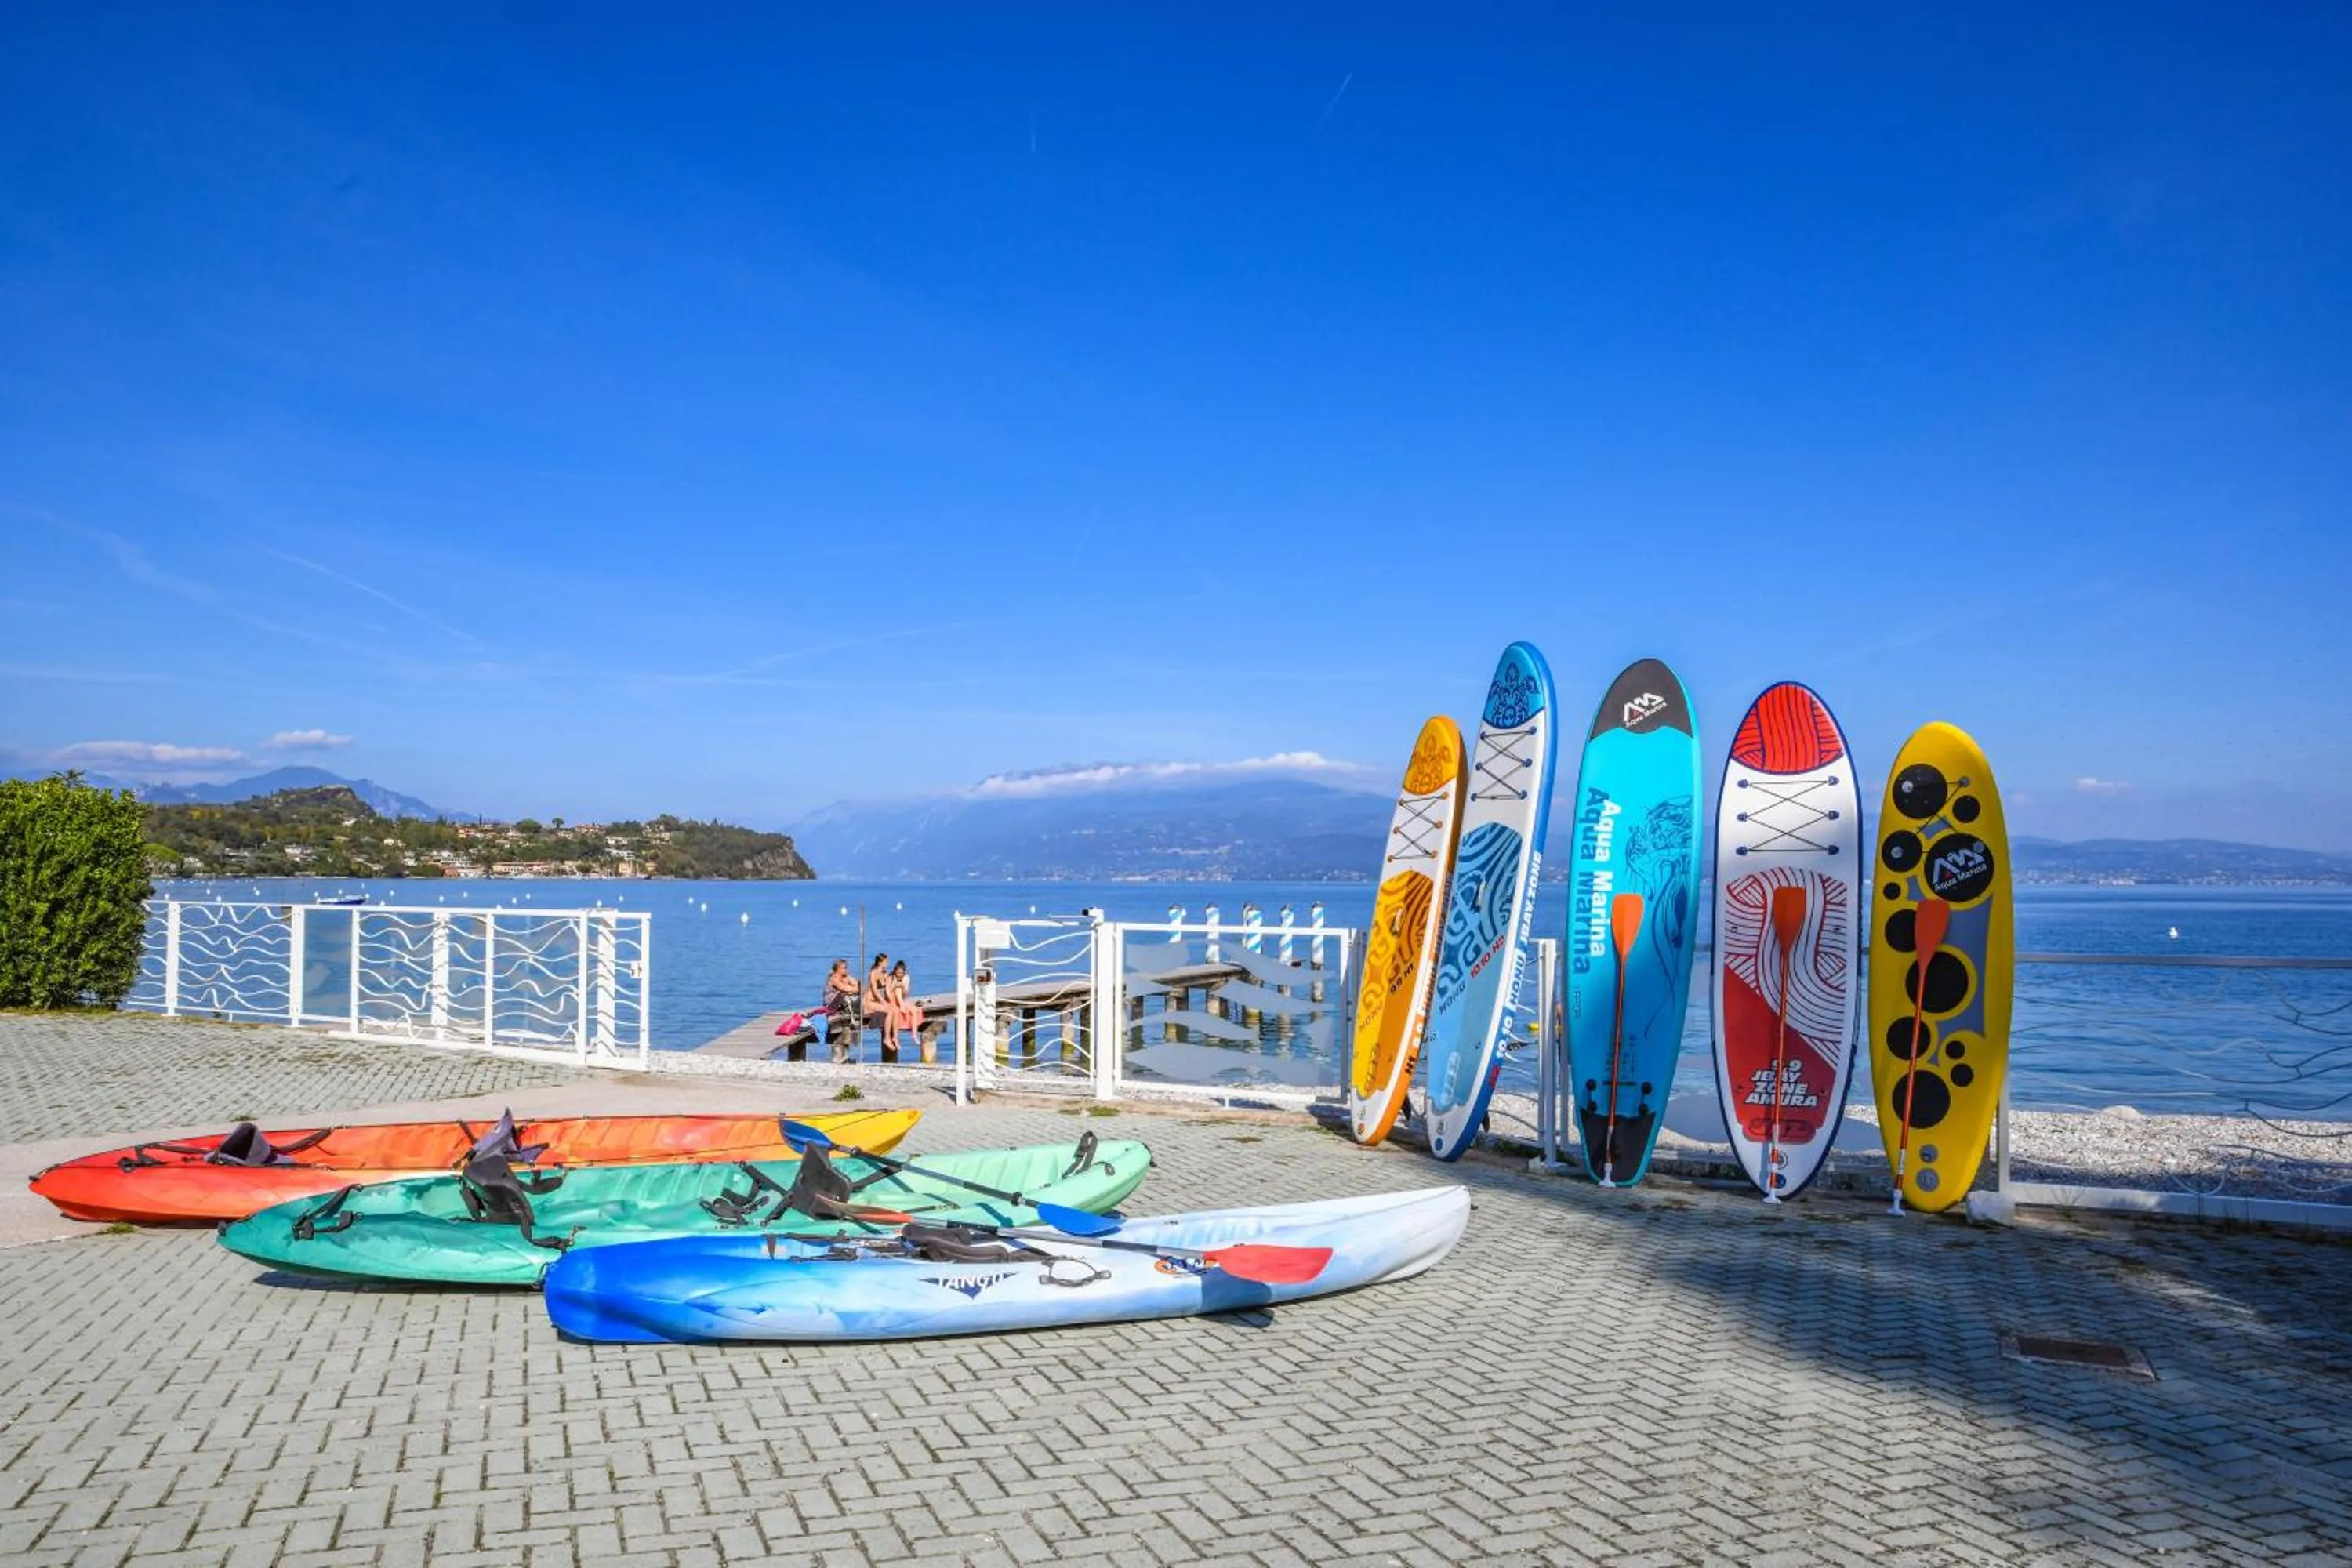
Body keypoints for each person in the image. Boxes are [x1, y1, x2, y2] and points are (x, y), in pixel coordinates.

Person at [887, 960, 925, 1062]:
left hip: (902, 1000)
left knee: (914, 1010)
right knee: (897, 988)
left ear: (904, 972)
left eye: (901, 973)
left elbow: (906, 994)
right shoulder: (890, 977)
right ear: (895, 971)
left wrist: (903, 986)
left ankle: (914, 1035)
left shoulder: (906, 978)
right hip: (892, 1001)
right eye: (898, 973)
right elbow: (888, 993)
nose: (900, 975)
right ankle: (896, 1039)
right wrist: (894, 985)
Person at [821, 959, 858, 1063]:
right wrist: (853, 988)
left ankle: (845, 1057)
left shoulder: (845, 977)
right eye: (844, 968)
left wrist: (853, 985)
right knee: (843, 994)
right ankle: (838, 1058)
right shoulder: (834, 978)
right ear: (838, 969)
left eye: (846, 967)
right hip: (831, 1006)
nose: (846, 970)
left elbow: (858, 986)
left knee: (847, 1028)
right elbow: (844, 988)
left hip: (841, 1006)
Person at [863, 953, 893, 1063]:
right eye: (886, 962)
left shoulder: (885, 974)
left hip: (878, 1001)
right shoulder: (873, 973)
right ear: (880, 962)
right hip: (869, 1002)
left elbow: (888, 990)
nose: (887, 964)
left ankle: (893, 1037)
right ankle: (887, 1038)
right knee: (889, 1010)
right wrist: (884, 1002)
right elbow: (875, 991)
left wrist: (891, 1001)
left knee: (893, 1009)